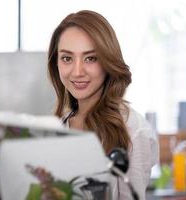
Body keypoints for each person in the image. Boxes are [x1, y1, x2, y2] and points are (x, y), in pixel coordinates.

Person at [47, 10, 159, 200]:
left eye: (90, 58)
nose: (77, 72)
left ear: (108, 61)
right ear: (56, 63)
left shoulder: (132, 129)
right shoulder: (58, 124)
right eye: (67, 58)